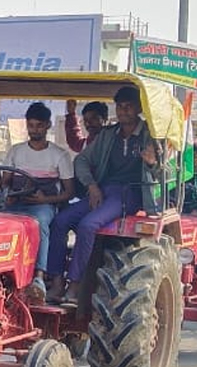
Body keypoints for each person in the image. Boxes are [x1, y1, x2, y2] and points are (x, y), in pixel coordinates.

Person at [46, 85, 160, 306]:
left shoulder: (150, 135)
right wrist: (91, 185)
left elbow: (165, 169)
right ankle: (56, 281)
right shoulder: (109, 135)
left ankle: (76, 286)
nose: (123, 111)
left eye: (128, 106)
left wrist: (152, 164)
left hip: (130, 193)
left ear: (139, 108)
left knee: (88, 225)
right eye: (120, 106)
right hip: (103, 189)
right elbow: (82, 160)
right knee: (60, 221)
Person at [1, 102, 76, 299]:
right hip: (17, 202)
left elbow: (69, 192)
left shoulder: (59, 155)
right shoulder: (16, 151)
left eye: (39, 126)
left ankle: (39, 277)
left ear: (48, 125)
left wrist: (45, 199)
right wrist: (7, 193)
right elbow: (5, 182)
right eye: (31, 125)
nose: (34, 130)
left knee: (39, 223)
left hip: (44, 205)